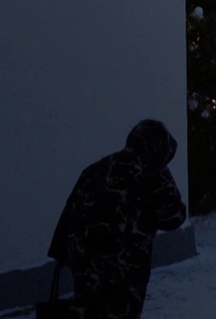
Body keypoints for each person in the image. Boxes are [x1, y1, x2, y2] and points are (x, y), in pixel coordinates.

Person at [48, 119, 188, 319]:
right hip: (125, 268)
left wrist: (63, 255)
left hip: (85, 265)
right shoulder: (151, 173)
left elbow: (68, 215)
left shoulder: (96, 168)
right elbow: (174, 218)